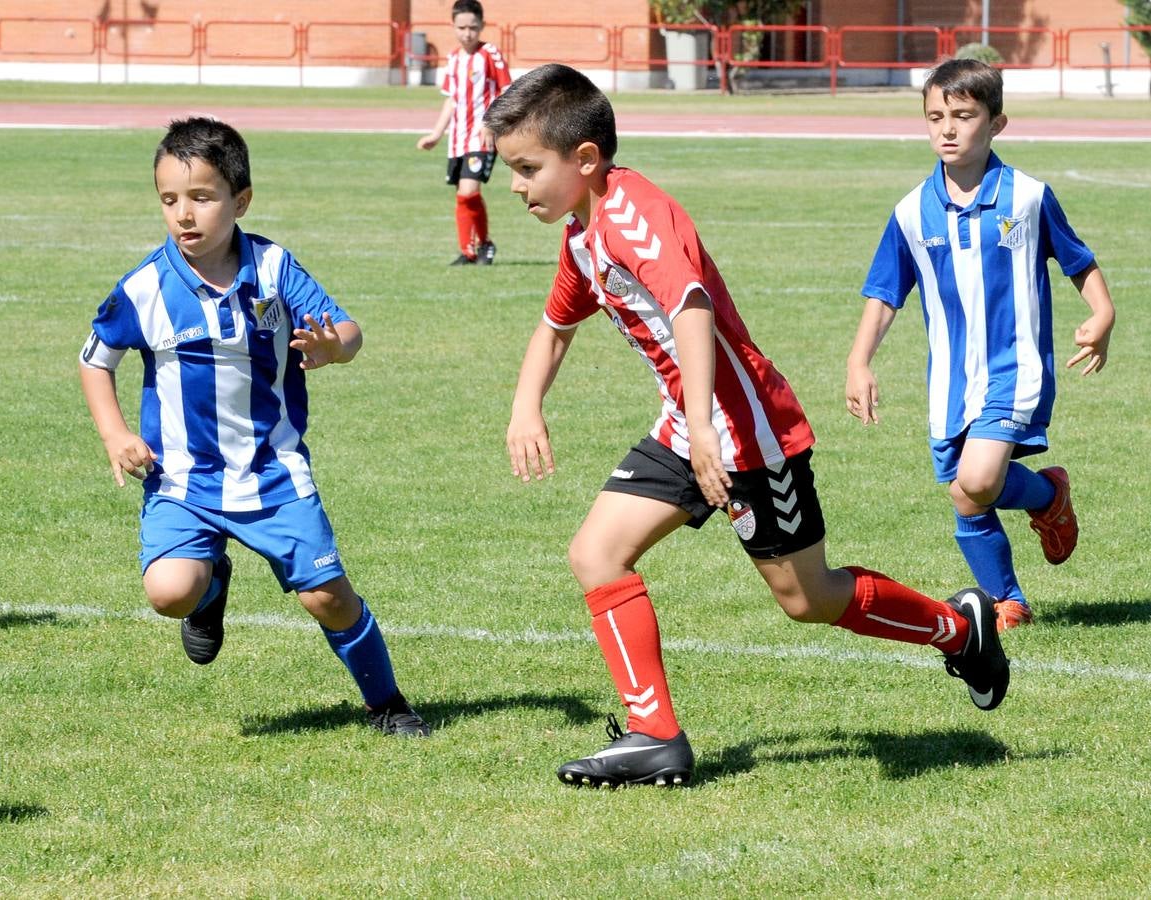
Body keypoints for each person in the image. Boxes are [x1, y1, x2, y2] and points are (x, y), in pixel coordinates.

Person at [485, 64, 1008, 789]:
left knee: (807, 598)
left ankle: (958, 629)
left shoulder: (633, 213)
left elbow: (691, 305)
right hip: (690, 425)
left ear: (583, 159)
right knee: (595, 554)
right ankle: (653, 736)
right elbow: (553, 325)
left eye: (524, 168)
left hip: (747, 430)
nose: (514, 185)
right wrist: (525, 405)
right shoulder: (582, 235)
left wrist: (704, 428)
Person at [79, 117, 429, 737]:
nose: (184, 215)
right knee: (169, 591)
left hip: (273, 471)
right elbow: (94, 358)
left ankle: (388, 704)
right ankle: (209, 591)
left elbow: (347, 330)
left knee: (327, 598)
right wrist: (114, 433)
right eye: (169, 200)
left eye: (202, 198)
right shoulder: (146, 287)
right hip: (183, 477)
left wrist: (332, 347)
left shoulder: (273, 268)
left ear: (240, 201)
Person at [846, 59, 1115, 634]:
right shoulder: (910, 212)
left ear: (997, 124)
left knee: (980, 478)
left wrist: (1103, 312)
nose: (947, 129)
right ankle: (1008, 596)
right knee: (966, 497)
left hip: (1014, 369)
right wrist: (858, 360)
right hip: (949, 380)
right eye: (935, 117)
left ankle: (1044, 497)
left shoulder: (1028, 198)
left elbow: (1077, 261)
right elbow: (886, 291)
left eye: (964, 116)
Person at [416, 0, 510, 266]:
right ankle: (471, 250)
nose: (467, 33)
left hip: (481, 138)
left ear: (481, 26)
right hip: (456, 140)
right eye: (462, 27)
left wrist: (490, 122)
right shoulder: (453, 58)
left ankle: (483, 245)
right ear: (453, 26)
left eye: (472, 27)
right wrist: (435, 134)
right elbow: (451, 100)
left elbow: (506, 91)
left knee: (468, 192)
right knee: (463, 195)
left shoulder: (490, 53)